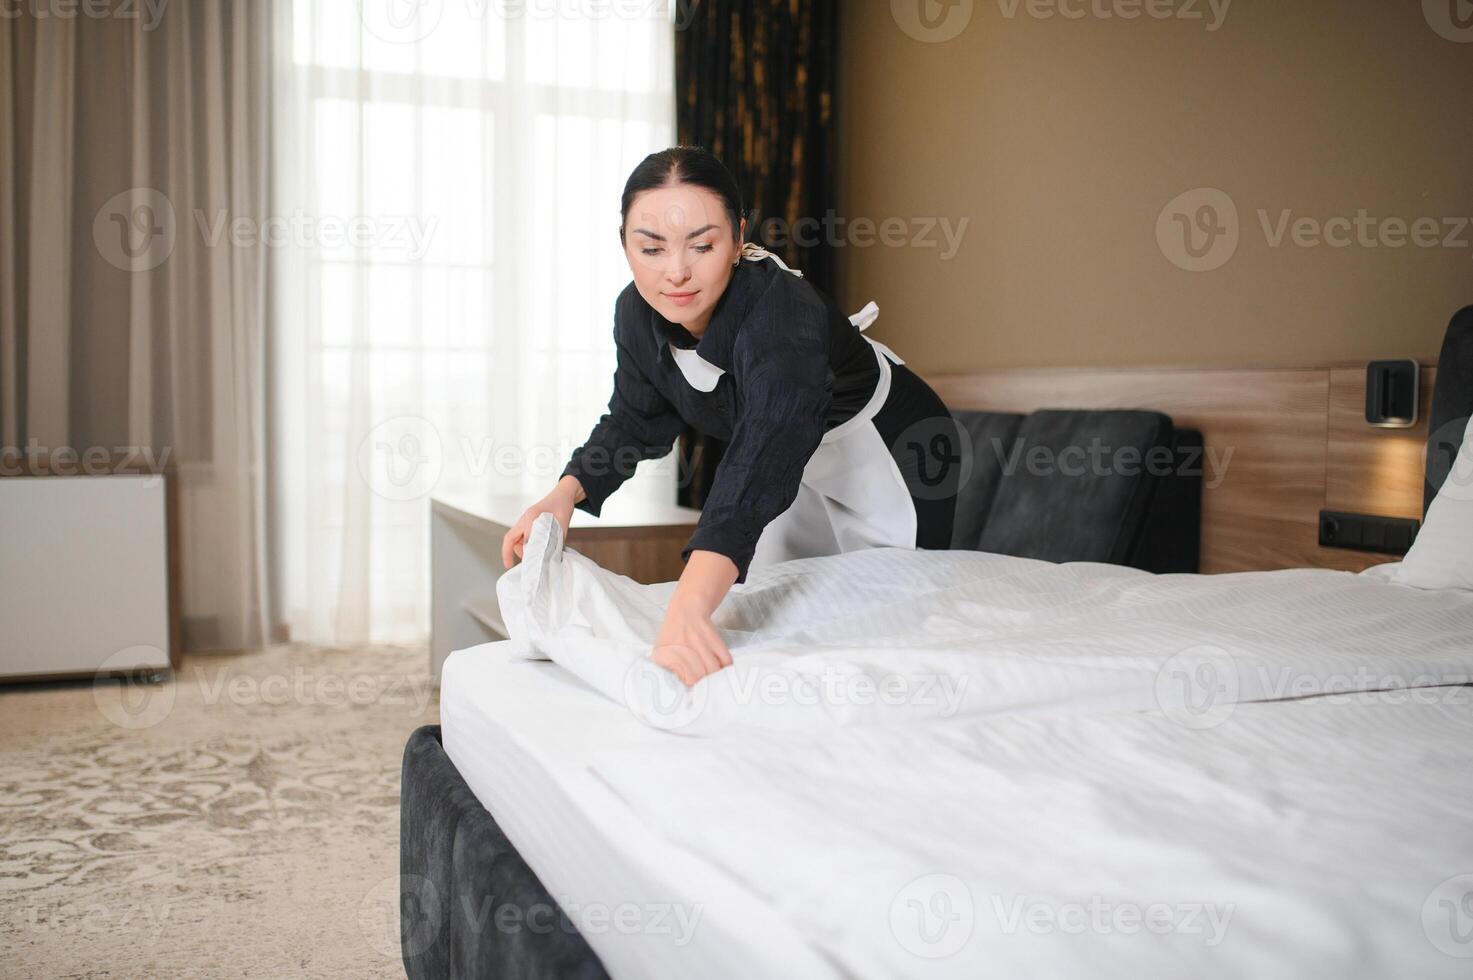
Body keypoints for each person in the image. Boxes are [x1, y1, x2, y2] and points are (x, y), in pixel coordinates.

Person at [501, 146, 960, 687]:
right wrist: (564, 494)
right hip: (797, 463)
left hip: (887, 449)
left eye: (703, 245)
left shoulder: (780, 312)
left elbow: (767, 444)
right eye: (651, 248)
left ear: (739, 237)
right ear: (623, 244)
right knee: (766, 615)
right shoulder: (635, 313)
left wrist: (687, 606)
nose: (676, 273)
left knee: (891, 636)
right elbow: (633, 417)